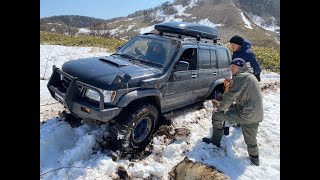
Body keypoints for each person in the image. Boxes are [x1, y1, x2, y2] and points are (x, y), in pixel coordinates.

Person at [202, 58, 263, 166]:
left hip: (246, 113)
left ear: (240, 67)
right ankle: (255, 160)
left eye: (233, 67)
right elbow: (242, 95)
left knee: (217, 116)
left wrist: (220, 109)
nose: (231, 69)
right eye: (230, 67)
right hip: (255, 114)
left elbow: (230, 96)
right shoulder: (250, 76)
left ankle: (215, 141)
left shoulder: (242, 76)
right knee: (251, 140)